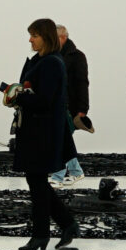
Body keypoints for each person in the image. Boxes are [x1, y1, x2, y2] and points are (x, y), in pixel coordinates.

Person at [10, 18, 80, 250]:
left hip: (42, 133)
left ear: (46, 37)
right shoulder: (42, 61)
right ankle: (66, 224)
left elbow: (44, 101)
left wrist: (19, 97)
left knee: (37, 183)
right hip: (36, 131)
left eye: (35, 35)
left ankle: (41, 235)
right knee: (37, 182)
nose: (30, 39)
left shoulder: (51, 63)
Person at [50, 24, 93, 185]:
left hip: (70, 106)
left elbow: (82, 83)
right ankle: (76, 171)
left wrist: (83, 109)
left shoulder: (77, 56)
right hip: (56, 105)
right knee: (63, 140)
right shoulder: (52, 55)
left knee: (60, 140)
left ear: (63, 37)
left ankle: (57, 176)